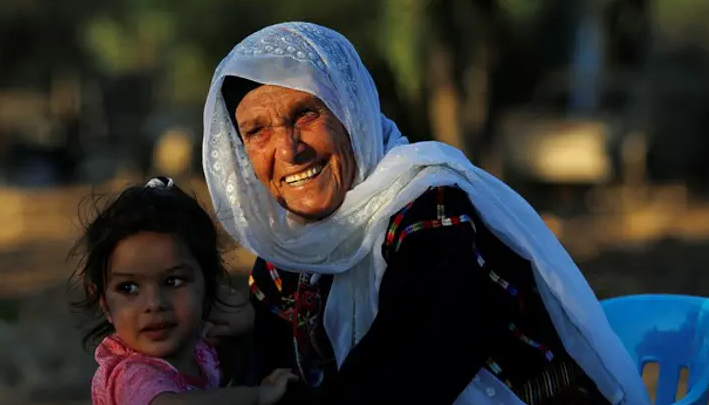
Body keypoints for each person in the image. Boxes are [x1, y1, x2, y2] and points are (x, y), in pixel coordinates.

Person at [201, 22, 650, 405]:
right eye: (257, 131)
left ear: (351, 112)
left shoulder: (433, 213)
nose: (289, 150)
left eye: (305, 115)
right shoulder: (286, 255)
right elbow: (273, 375)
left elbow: (405, 379)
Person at [68, 176, 296, 405]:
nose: (154, 303)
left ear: (208, 286)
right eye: (128, 288)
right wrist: (256, 395)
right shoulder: (131, 374)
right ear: (104, 302)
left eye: (173, 282)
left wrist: (249, 325)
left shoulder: (198, 352)